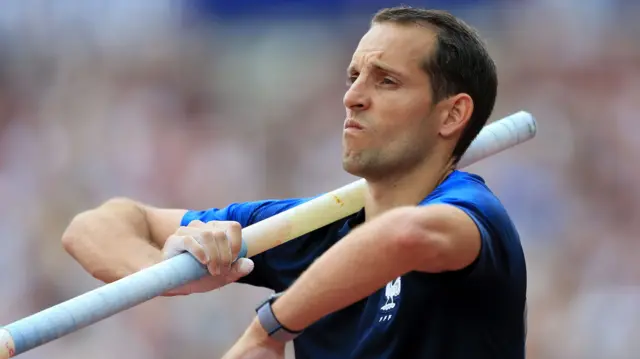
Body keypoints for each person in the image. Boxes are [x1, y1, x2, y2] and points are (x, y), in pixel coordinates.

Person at [62, 6, 527, 359]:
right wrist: (165, 271)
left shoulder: (471, 210)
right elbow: (96, 226)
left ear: (452, 114)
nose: (352, 97)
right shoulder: (312, 227)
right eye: (353, 76)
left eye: (385, 81)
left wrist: (270, 328)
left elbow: (406, 236)